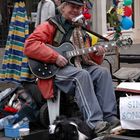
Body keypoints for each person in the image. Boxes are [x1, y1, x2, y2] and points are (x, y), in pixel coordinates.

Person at [24, 0, 120, 138]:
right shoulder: (51, 25)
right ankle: (95, 122)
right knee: (81, 75)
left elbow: (87, 57)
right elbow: (30, 45)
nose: (76, 10)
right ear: (63, 8)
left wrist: (97, 53)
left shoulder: (80, 29)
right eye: (72, 7)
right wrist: (54, 57)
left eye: (79, 8)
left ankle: (110, 117)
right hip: (54, 70)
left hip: (76, 66)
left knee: (102, 72)